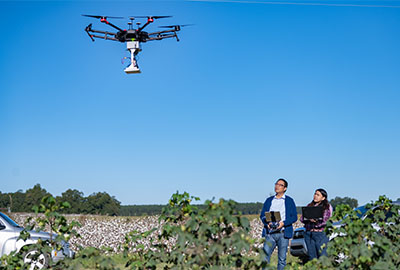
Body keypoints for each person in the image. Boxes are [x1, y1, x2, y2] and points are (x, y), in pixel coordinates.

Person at [260, 178, 298, 270]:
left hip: (283, 233)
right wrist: (267, 222)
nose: (277, 186)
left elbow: (294, 217)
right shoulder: (269, 200)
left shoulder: (289, 200)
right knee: (264, 257)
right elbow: (262, 215)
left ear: (285, 188)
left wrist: (283, 223)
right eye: (276, 184)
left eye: (280, 185)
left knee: (282, 259)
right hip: (270, 233)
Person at [300, 188, 333, 261]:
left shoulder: (327, 207)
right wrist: (308, 219)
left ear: (323, 198)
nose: (315, 196)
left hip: (320, 234)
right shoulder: (309, 205)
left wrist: (316, 222)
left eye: (318, 195)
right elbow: (301, 218)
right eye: (315, 194)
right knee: (312, 257)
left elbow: (326, 220)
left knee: (322, 256)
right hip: (309, 234)